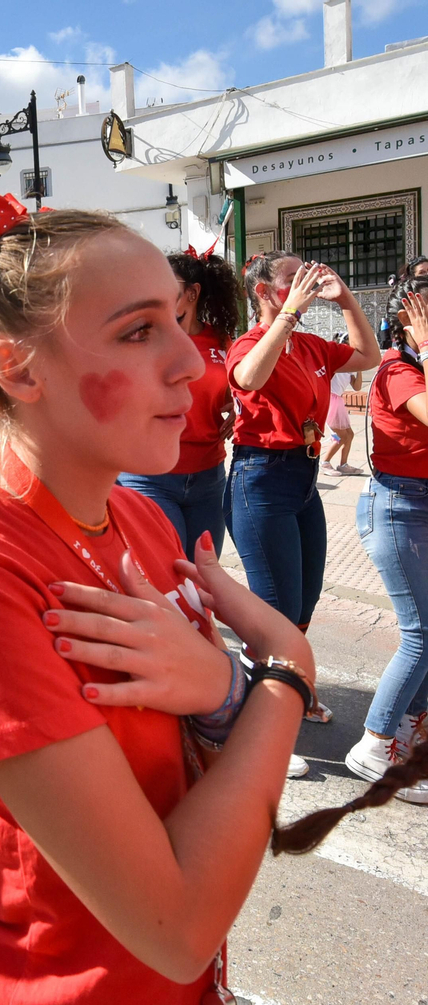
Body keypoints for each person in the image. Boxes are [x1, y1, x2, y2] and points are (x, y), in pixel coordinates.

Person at [0, 197, 316, 1005]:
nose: (190, 364)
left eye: (177, 321)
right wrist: (286, 670)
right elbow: (175, 924)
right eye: (137, 332)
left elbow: (207, 780)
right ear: (19, 370)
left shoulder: (141, 520)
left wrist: (223, 693)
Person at [228, 253, 381, 758]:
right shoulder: (252, 342)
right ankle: (261, 723)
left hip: (303, 479)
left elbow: (367, 355)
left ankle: (289, 690)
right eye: (292, 278)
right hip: (260, 479)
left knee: (304, 602)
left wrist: (346, 300)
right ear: (262, 292)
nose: (307, 282)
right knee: (276, 610)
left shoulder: (311, 345)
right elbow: (249, 377)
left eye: (307, 275)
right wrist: (289, 314)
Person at [348, 281, 428, 803]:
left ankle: (404, 729)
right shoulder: (399, 370)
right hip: (399, 508)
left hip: (419, 505)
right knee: (421, 633)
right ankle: (374, 744)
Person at [118, 251, 240, 558]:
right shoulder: (140, 337)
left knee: (203, 575)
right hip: (149, 475)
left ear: (192, 293)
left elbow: (235, 391)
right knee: (167, 572)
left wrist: (240, 409)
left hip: (208, 477)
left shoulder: (221, 342)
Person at [320, 358, 363, 475]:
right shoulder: (337, 362)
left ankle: (343, 465)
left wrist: (359, 369)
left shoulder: (351, 369)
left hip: (337, 400)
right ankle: (325, 463)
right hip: (330, 399)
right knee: (341, 436)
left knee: (349, 434)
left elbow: (357, 387)